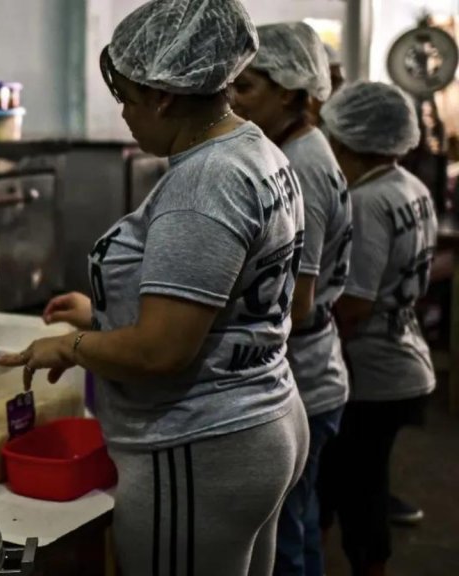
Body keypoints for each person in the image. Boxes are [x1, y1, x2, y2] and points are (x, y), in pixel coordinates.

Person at [0, 0, 308, 573]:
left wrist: (69, 347)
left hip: (198, 448)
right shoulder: (255, 149)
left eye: (129, 101)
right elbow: (226, 301)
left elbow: (163, 350)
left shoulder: (205, 181)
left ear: (164, 95)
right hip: (259, 418)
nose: (125, 117)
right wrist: (104, 313)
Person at [229, 22, 352, 576]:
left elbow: (296, 305)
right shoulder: (301, 149)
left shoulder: (300, 164)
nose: (232, 101)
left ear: (288, 91)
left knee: (291, 541)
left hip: (307, 377)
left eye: (246, 87)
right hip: (312, 371)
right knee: (294, 530)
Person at [319, 82, 436, 576]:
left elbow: (354, 306)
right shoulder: (411, 186)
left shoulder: (366, 202)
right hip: (405, 356)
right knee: (349, 487)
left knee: (357, 499)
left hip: (373, 374)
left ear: (346, 143)